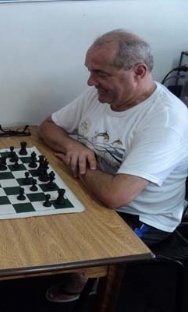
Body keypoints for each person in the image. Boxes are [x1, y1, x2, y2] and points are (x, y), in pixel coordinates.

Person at [38, 29, 188, 303]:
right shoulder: (99, 95)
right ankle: (79, 271)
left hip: (140, 216)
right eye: (90, 71)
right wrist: (74, 147)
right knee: (31, 220)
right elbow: (48, 126)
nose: (91, 81)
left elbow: (115, 196)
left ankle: (88, 280)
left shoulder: (165, 121)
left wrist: (79, 166)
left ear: (139, 71)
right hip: (93, 189)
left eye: (101, 74)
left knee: (52, 237)